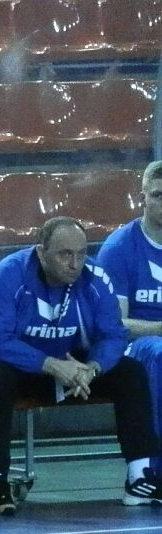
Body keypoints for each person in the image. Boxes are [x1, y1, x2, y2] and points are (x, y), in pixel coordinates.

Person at [0, 215, 162, 515]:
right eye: (65, 254)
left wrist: (93, 368)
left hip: (76, 368)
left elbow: (113, 334)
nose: (75, 264)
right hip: (20, 367)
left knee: (130, 372)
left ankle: (140, 477)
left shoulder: (95, 277)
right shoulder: (9, 273)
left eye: (81, 254)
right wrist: (49, 364)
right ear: (41, 252)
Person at [95, 160, 162, 477]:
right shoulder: (119, 248)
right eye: (158, 195)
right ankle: (155, 471)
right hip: (135, 345)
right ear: (142, 198)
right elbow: (116, 323)